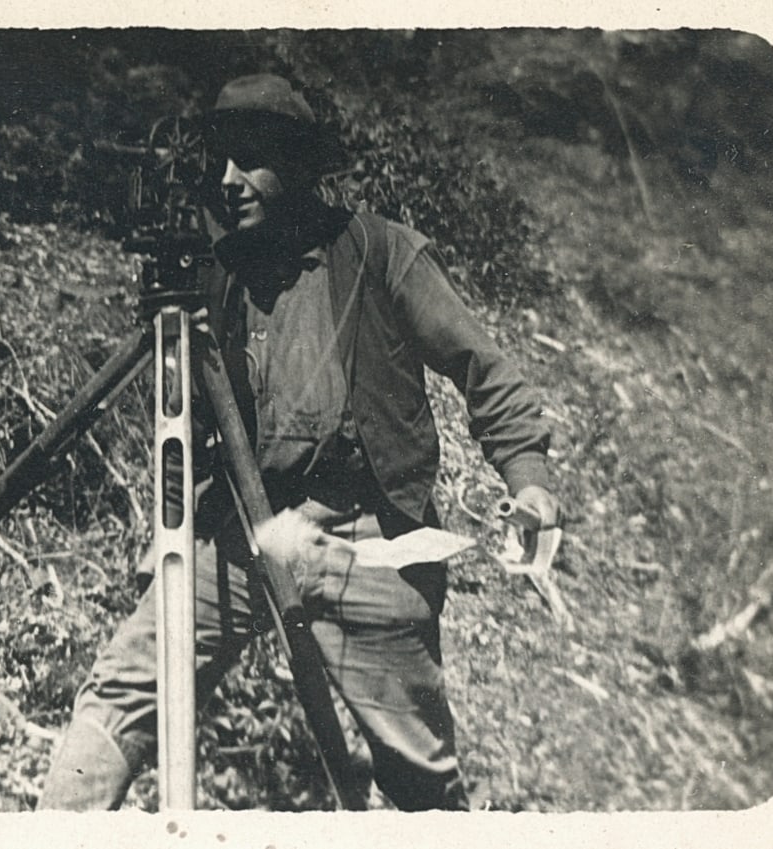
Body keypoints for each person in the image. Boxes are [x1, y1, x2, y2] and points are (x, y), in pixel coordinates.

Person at [38, 73, 559, 812]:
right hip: (242, 533)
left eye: (250, 159)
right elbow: (183, 417)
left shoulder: (381, 253)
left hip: (366, 539)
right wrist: (174, 518)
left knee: (418, 775)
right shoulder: (214, 272)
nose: (227, 181)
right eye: (219, 160)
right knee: (123, 689)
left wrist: (528, 475)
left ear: (303, 165)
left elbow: (482, 367)